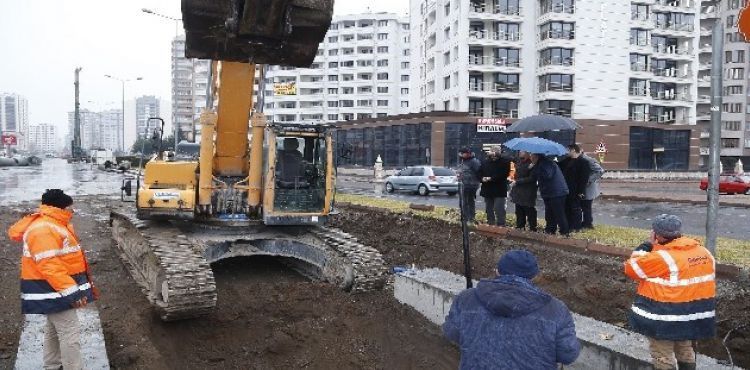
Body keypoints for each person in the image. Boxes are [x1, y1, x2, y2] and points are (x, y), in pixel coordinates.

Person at [443, 250, 581, 369]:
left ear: (497, 271)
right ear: (535, 277)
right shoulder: (556, 310)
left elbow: (451, 333)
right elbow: (568, 355)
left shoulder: (466, 298)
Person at [8, 189, 98, 370]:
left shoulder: (53, 224)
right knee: (69, 332)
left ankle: (52, 365)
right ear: (60, 208)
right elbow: (50, 267)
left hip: (52, 289)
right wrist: (74, 293)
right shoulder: (44, 229)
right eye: (69, 208)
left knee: (53, 329)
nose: (72, 211)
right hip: (53, 290)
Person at [624, 215, 716, 370]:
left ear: (657, 235)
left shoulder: (662, 258)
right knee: (685, 349)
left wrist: (647, 245)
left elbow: (632, 268)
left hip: (665, 320)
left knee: (662, 356)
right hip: (692, 317)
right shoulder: (704, 252)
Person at [531, 153, 570, 236]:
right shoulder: (541, 163)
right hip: (550, 192)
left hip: (557, 192)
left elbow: (547, 175)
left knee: (559, 214)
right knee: (549, 213)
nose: (530, 158)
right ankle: (550, 230)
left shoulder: (546, 163)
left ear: (536, 157)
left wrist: (536, 169)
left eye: (532, 156)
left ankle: (564, 233)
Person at [558, 144, 591, 232]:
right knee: (566, 208)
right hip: (566, 189)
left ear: (573, 150)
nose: (566, 152)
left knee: (575, 208)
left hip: (576, 190)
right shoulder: (566, 160)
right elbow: (558, 166)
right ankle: (569, 225)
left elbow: (583, 178)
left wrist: (581, 191)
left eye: (568, 150)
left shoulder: (583, 162)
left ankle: (576, 227)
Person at [479, 146, 512, 226]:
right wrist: (481, 178)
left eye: (496, 151)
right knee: (489, 209)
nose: (493, 152)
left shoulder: (504, 161)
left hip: (499, 189)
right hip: (487, 189)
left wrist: (491, 178)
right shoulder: (485, 161)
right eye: (492, 151)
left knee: (499, 208)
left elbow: (504, 173)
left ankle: (501, 225)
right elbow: (479, 172)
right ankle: (491, 225)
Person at [510, 150, 538, 232]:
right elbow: (516, 173)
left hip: (528, 191)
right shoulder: (519, 161)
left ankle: (533, 228)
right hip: (518, 190)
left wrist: (518, 181)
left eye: (522, 151)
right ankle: (520, 227)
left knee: (529, 210)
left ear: (527, 153)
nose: (519, 152)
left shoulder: (532, 163)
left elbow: (532, 178)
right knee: (519, 210)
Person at [580, 151, 605, 229]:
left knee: (586, 207)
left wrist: (589, 180)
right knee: (584, 206)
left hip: (588, 188)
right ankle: (586, 223)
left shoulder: (588, 160)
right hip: (585, 188)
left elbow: (600, 171)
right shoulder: (581, 159)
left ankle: (588, 224)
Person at [458, 147, 481, 224]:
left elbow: (479, 172)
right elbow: (462, 171)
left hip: (471, 185)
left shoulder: (474, 161)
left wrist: (475, 180)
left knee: (469, 201)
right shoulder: (464, 161)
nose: (460, 154)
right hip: (465, 184)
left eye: (462, 153)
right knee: (464, 201)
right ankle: (465, 217)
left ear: (467, 153)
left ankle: (471, 218)